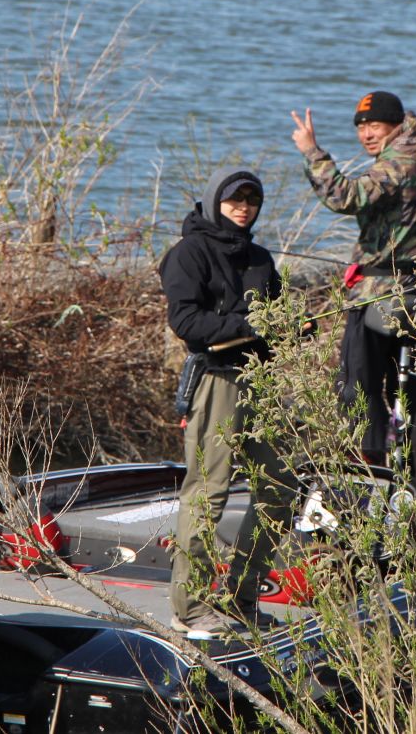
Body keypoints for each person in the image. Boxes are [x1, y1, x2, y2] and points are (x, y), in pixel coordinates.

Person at [290, 91, 416, 498]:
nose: (366, 134)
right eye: (361, 127)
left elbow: (345, 196)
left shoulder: (398, 162)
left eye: (374, 126)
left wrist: (312, 152)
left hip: (380, 295)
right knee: (411, 385)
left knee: (357, 385)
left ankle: (366, 474)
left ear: (396, 125)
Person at [159, 167, 297, 639]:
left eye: (252, 200)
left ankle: (241, 595)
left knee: (280, 487)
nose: (243, 207)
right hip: (216, 381)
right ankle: (190, 609)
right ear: (214, 200)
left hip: (261, 381)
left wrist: (294, 326)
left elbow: (277, 312)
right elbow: (186, 321)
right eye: (235, 199)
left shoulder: (260, 258)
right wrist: (244, 325)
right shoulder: (188, 253)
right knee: (208, 491)